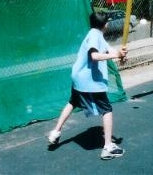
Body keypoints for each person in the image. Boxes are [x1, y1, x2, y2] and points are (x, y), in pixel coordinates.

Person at [47, 12, 127, 160]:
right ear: (106, 24)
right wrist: (116, 56)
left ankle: (55, 132)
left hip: (78, 78)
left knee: (73, 102)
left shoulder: (95, 34)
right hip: (89, 82)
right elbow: (95, 56)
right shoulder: (95, 36)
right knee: (107, 110)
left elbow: (109, 50)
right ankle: (108, 147)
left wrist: (119, 53)